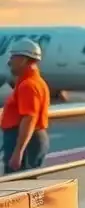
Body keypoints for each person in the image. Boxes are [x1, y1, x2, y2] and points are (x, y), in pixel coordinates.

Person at [2, 38, 50, 173]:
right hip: (29, 139)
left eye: (13, 57)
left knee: (18, 182)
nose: (9, 62)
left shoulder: (28, 85)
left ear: (23, 60)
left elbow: (29, 119)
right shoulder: (35, 82)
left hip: (25, 141)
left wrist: (18, 151)